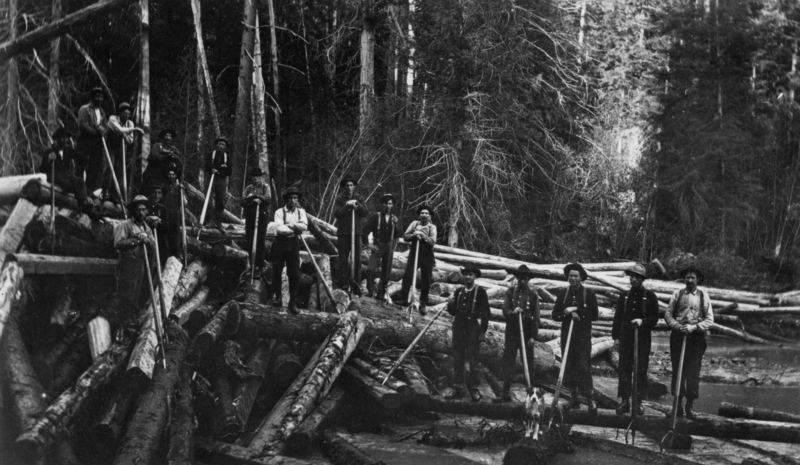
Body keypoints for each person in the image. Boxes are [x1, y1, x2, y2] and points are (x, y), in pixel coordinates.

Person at [664, 266, 713, 420]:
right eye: (687, 278)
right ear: (684, 279)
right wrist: (677, 326)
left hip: (696, 339)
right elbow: (668, 314)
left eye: (693, 278)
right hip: (678, 337)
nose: (690, 280)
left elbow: (710, 319)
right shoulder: (677, 294)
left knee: (693, 372)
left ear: (698, 280)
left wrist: (694, 327)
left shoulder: (704, 296)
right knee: (678, 370)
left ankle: (689, 406)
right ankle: (677, 406)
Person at [612, 263, 660, 416]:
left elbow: (655, 318)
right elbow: (617, 318)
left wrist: (642, 322)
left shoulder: (650, 297)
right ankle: (625, 401)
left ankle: (638, 402)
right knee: (624, 368)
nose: (633, 280)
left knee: (640, 370)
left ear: (642, 279)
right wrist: (616, 338)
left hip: (642, 338)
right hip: (626, 337)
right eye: (631, 277)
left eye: (636, 277)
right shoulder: (624, 296)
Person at [552, 263, 599, 415]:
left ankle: (591, 399)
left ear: (581, 278)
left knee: (584, 367)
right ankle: (574, 398)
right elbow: (555, 315)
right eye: (570, 276)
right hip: (568, 336)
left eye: (575, 276)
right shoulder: (563, 293)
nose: (572, 278)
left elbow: (594, 315)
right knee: (569, 367)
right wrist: (566, 314)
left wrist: (578, 310)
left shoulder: (589, 294)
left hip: (583, 337)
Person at [495, 265, 540, 403]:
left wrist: (533, 336)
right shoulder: (510, 292)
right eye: (520, 278)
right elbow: (505, 308)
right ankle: (505, 392)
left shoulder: (533, 295)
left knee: (529, 362)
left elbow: (536, 317)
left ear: (529, 280)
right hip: (513, 329)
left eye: (526, 279)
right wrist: (512, 312)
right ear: (516, 278)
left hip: (526, 330)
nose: (523, 281)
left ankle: (531, 395)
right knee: (508, 360)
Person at [445, 264, 490, 402]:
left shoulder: (480, 292)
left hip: (472, 327)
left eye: (471, 274)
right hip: (458, 325)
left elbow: (486, 313)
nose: (468, 277)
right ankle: (458, 386)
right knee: (458, 357)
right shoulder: (459, 291)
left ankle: (474, 388)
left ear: (475, 276)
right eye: (466, 274)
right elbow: (453, 312)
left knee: (473, 359)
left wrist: (482, 331)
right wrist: (450, 304)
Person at [113, 195, 157, 315]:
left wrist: (149, 240)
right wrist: (137, 240)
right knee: (125, 296)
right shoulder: (125, 225)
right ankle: (120, 324)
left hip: (141, 264)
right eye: (138, 209)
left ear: (147, 211)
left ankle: (130, 321)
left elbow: (153, 246)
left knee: (137, 296)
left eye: (144, 210)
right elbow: (118, 244)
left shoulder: (147, 228)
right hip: (128, 263)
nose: (141, 212)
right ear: (133, 211)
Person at [272, 186, 308, 314]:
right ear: (286, 199)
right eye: (291, 198)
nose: (293, 201)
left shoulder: (300, 212)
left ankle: (293, 301)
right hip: (280, 243)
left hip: (293, 243)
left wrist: (290, 225)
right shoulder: (279, 212)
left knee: (294, 273)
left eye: (295, 198)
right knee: (277, 271)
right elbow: (279, 229)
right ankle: (277, 297)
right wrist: (296, 227)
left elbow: (304, 226)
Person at [362, 193, 402, 300]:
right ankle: (370, 290)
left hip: (389, 247)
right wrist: (368, 244)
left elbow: (398, 234)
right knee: (371, 269)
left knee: (386, 271)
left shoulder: (394, 219)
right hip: (378, 245)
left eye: (390, 204)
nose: (388, 206)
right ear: (382, 205)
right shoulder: (376, 216)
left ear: (392, 205)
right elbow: (365, 231)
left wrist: (396, 224)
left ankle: (381, 292)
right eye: (386, 204)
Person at [398, 205, 437, 314]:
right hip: (414, 253)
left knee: (426, 279)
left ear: (430, 216)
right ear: (419, 215)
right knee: (407, 276)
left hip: (427, 255)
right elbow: (405, 236)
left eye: (426, 213)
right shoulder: (414, 224)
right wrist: (414, 235)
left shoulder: (432, 227)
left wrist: (423, 235)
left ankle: (423, 303)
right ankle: (404, 299)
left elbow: (432, 242)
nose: (424, 215)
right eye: (422, 213)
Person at [39, 128, 90, 211]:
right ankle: (77, 202)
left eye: (66, 138)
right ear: (57, 139)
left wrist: (86, 159)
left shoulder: (67, 150)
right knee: (68, 184)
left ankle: (83, 203)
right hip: (54, 176)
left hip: (66, 176)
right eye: (62, 138)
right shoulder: (49, 151)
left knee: (79, 181)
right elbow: (42, 169)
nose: (64, 140)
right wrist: (49, 160)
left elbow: (80, 157)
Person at [333, 177, 369, 295]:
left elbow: (365, 212)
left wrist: (357, 205)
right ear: (344, 187)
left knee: (357, 260)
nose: (349, 187)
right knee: (343, 259)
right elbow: (337, 214)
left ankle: (356, 285)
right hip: (343, 233)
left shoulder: (359, 198)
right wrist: (347, 206)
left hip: (357, 233)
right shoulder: (339, 198)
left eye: (351, 185)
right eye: (347, 185)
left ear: (354, 186)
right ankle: (344, 284)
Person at [106, 102, 143, 203]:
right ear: (119, 113)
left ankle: (115, 194)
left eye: (128, 114)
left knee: (120, 171)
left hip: (121, 149)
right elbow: (118, 129)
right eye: (124, 113)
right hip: (110, 146)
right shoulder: (112, 119)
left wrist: (126, 136)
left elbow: (130, 140)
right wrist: (131, 130)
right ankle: (105, 191)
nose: (126, 116)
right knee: (109, 168)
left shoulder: (130, 123)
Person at [75, 87, 107, 193]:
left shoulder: (102, 112)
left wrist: (102, 130)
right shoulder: (85, 109)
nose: (99, 99)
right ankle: (78, 190)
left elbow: (104, 127)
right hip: (85, 140)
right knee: (81, 165)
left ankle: (89, 191)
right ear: (92, 97)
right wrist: (95, 131)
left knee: (94, 168)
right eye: (97, 96)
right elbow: (82, 124)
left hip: (97, 143)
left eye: (101, 97)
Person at [242, 168, 271, 276]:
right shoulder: (249, 188)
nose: (255, 178)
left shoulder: (265, 187)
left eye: (257, 176)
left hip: (262, 216)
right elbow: (242, 201)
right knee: (250, 240)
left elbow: (268, 199)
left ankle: (260, 266)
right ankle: (252, 265)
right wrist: (251, 199)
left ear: (261, 177)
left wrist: (258, 197)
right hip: (250, 216)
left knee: (260, 240)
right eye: (253, 176)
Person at [142, 129, 182, 195]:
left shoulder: (174, 148)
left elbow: (178, 159)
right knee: (151, 194)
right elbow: (155, 157)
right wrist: (168, 155)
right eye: (166, 135)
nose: (168, 138)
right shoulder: (157, 146)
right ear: (163, 137)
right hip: (153, 176)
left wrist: (172, 155)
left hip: (165, 177)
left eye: (169, 136)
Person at [204, 137, 232, 225]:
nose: (221, 146)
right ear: (216, 145)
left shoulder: (227, 157)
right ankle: (208, 220)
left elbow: (229, 171)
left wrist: (219, 172)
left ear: (225, 147)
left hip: (221, 180)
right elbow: (206, 166)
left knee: (220, 200)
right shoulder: (211, 154)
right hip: (211, 179)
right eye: (219, 144)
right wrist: (212, 169)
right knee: (208, 200)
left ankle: (218, 222)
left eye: (223, 144)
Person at [162, 168, 187, 259]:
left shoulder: (178, 187)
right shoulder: (163, 186)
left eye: (173, 174)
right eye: (169, 174)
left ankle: (176, 255)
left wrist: (182, 191)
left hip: (175, 214)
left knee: (176, 235)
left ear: (176, 176)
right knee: (166, 235)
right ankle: (166, 256)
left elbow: (184, 203)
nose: (171, 176)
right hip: (166, 213)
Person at [146, 185, 170, 265]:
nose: (156, 196)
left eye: (159, 193)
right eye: (154, 192)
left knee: (161, 263)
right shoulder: (145, 207)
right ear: (150, 193)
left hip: (160, 241)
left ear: (162, 195)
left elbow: (167, 227)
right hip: (147, 239)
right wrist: (149, 220)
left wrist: (159, 222)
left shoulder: (163, 209)